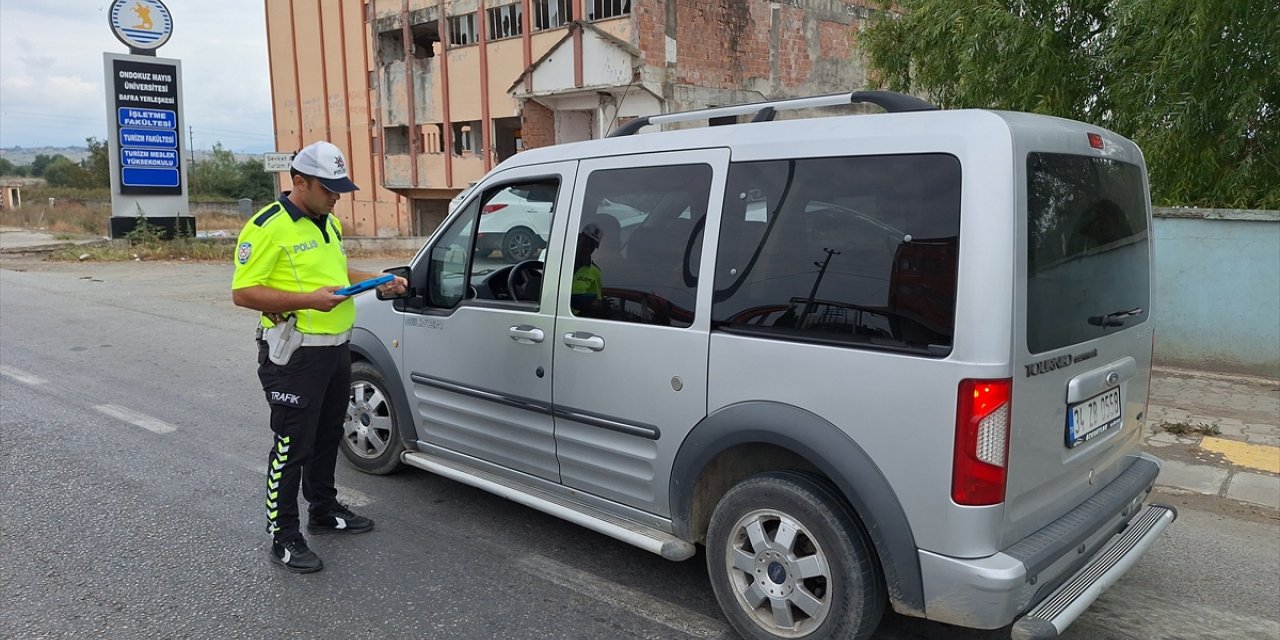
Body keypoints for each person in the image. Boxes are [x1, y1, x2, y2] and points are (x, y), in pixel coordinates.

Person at [230, 141, 407, 573]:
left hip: (335, 349)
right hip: (294, 355)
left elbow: (337, 274)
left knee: (330, 435)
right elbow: (243, 292)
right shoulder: (268, 225)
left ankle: (323, 511)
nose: (335, 197)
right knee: (292, 445)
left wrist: (377, 281)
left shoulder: (327, 223)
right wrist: (306, 299)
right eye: (327, 188)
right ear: (298, 182)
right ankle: (283, 534)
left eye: (339, 188)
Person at [570, 222, 604, 316]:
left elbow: (598, 302)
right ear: (579, 238)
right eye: (585, 243)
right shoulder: (560, 264)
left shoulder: (595, 272)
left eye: (591, 246)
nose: (587, 248)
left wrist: (584, 304)